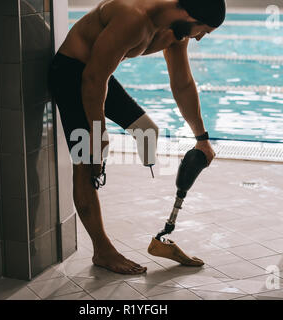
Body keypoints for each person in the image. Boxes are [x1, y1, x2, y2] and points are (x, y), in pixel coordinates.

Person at [49, 0, 225, 275]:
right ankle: (102, 250)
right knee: (86, 160)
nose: (200, 37)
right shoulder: (134, 17)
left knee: (147, 131)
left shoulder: (175, 32)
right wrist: (98, 134)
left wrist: (201, 138)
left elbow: (182, 83)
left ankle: (99, 169)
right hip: (73, 74)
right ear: (189, 15)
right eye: (203, 30)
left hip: (96, 76)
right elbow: (93, 79)